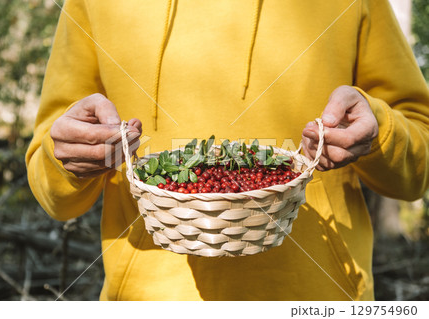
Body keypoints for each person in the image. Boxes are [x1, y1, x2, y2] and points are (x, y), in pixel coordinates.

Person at [26, 0, 429, 300]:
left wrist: (379, 132)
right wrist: (68, 159)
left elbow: (420, 164)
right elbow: (53, 189)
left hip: (319, 295)